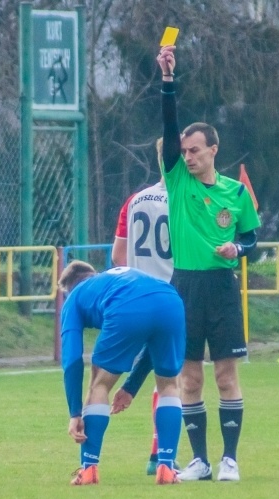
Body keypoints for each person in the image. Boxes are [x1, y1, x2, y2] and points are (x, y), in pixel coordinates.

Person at [157, 45, 261, 482]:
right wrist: (168, 80)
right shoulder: (177, 180)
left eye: (196, 150)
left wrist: (236, 250)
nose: (188, 155)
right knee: (190, 378)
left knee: (225, 375)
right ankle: (198, 460)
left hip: (221, 286)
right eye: (184, 150)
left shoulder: (235, 194)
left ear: (214, 150)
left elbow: (252, 237)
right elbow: (167, 124)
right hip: (184, 286)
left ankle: (230, 460)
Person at [59, 261, 185, 486]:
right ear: (93, 274)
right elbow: (151, 340)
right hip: (170, 300)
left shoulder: (74, 297)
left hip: (126, 306)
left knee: (98, 385)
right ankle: (166, 466)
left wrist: (75, 413)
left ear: (67, 288)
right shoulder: (113, 279)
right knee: (169, 385)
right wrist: (131, 387)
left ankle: (88, 469)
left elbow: (71, 360)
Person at [110, 138, 175, 476]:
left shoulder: (134, 200)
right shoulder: (187, 199)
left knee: (109, 373)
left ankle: (89, 463)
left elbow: (118, 257)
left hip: (134, 296)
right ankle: (159, 456)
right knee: (171, 380)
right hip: (173, 296)